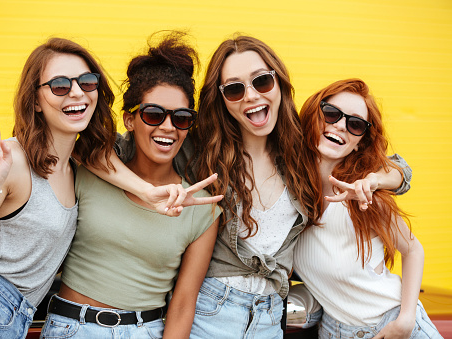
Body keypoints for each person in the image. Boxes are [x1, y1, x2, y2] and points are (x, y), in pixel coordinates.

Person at [95, 34, 411, 338]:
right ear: (222, 100)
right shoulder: (201, 150)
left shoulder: (301, 151)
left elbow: (399, 169)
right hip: (210, 311)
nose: (251, 95)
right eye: (234, 89)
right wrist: (144, 189)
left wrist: (378, 180)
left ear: (278, 83)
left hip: (271, 317)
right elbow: (92, 150)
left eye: (261, 81)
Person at [0, 37, 219, 339]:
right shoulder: (31, 163)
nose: (76, 92)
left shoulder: (78, 166)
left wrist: (145, 190)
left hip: (19, 321)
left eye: (87, 82)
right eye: (60, 85)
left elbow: (99, 156)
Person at [40, 32, 221, 339]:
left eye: (181, 118)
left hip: (144, 330)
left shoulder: (201, 206)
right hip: (71, 327)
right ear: (129, 119)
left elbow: (182, 305)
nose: (167, 127)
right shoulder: (88, 168)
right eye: (153, 114)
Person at [293, 78, 442, 338]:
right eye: (330, 113)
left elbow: (413, 248)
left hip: (391, 323)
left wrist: (405, 321)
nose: (340, 125)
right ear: (314, 115)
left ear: (360, 142)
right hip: (333, 330)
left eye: (355, 124)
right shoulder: (290, 195)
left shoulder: (363, 195)